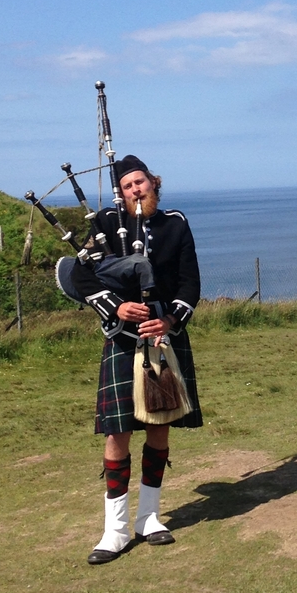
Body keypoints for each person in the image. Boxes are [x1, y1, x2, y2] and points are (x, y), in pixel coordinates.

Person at [71, 155, 202, 565]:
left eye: (140, 182)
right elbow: (80, 275)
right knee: (118, 433)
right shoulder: (106, 224)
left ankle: (149, 518)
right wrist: (115, 308)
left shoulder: (175, 224)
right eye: (128, 185)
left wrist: (168, 320)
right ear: (120, 193)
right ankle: (115, 530)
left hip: (162, 337)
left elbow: (189, 282)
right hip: (123, 338)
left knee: (159, 425)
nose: (136, 190)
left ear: (153, 184)